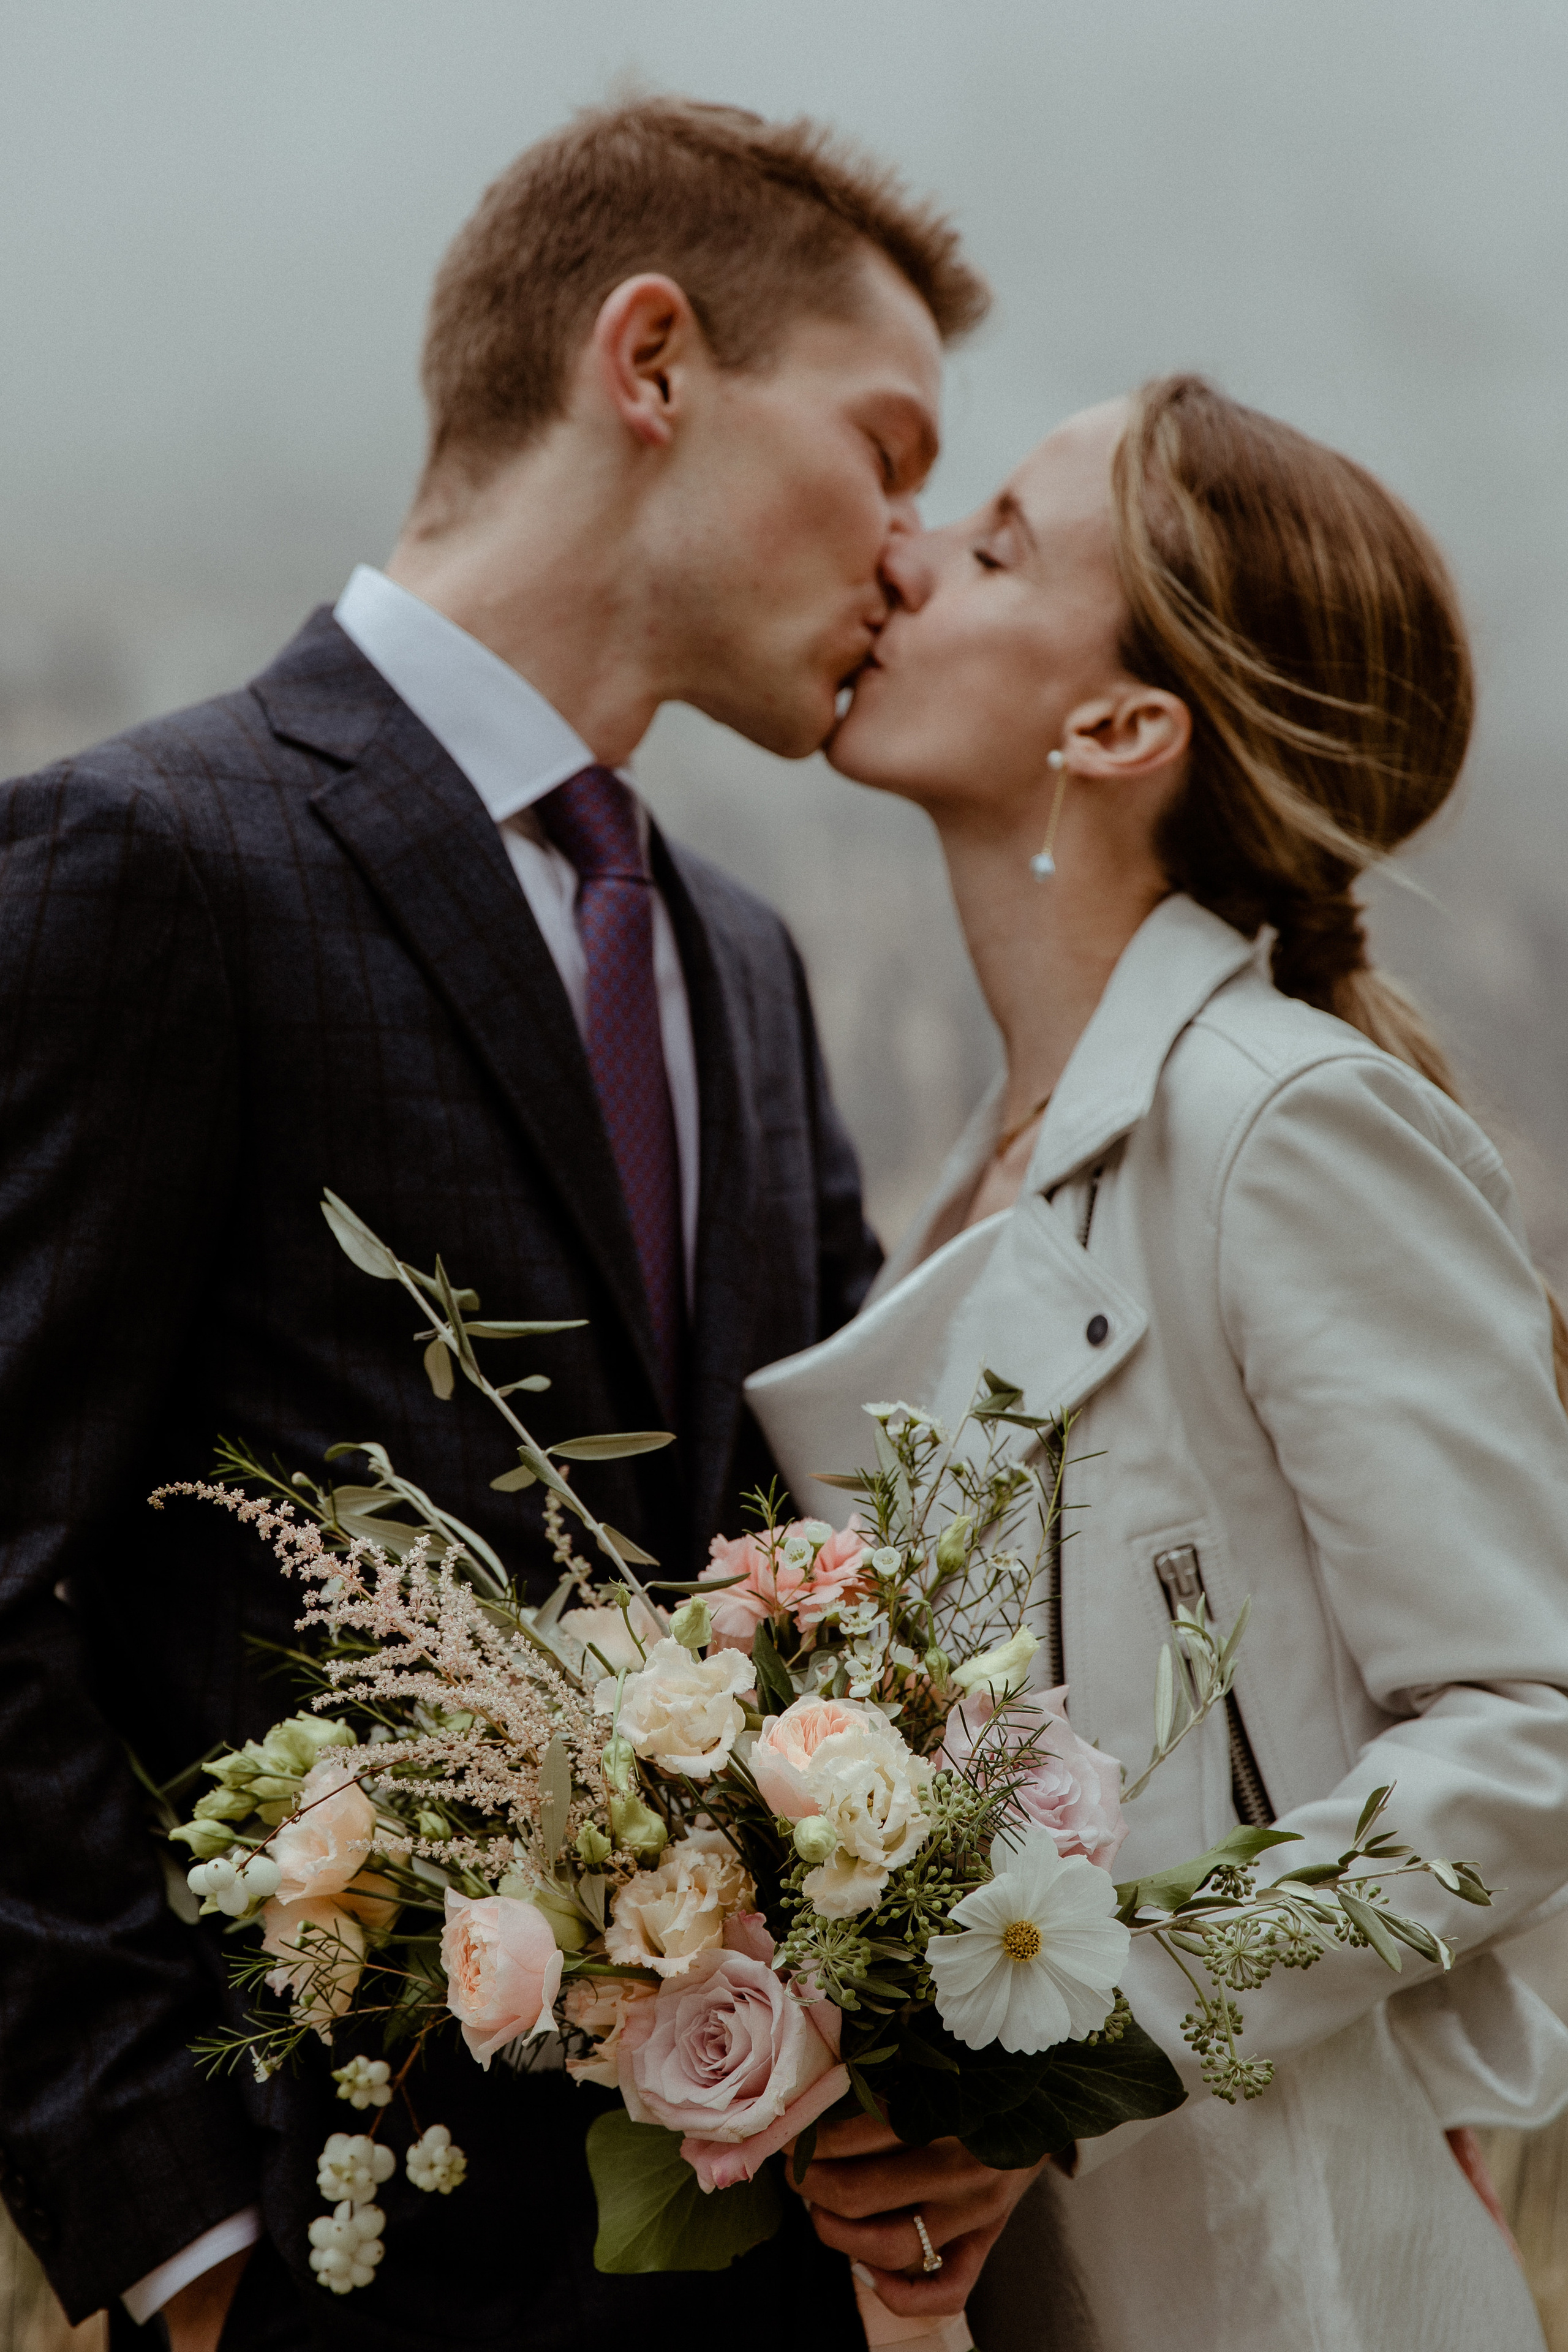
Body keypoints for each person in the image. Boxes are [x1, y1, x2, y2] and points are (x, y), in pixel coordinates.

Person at [0, 98, 990, 2351]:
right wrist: (185, 2241)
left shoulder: (744, 958)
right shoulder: (144, 855)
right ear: (651, 361)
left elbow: (804, 1591)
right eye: (887, 447)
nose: (912, 553)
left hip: (738, 2268)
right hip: (336, 2257)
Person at [747, 375, 1568, 2351]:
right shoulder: (993, 1174)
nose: (907, 553)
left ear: (1120, 730)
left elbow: (1530, 1723)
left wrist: (1070, 2057)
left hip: (1293, 2287)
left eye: (1000, 543)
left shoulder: (1282, 1123)